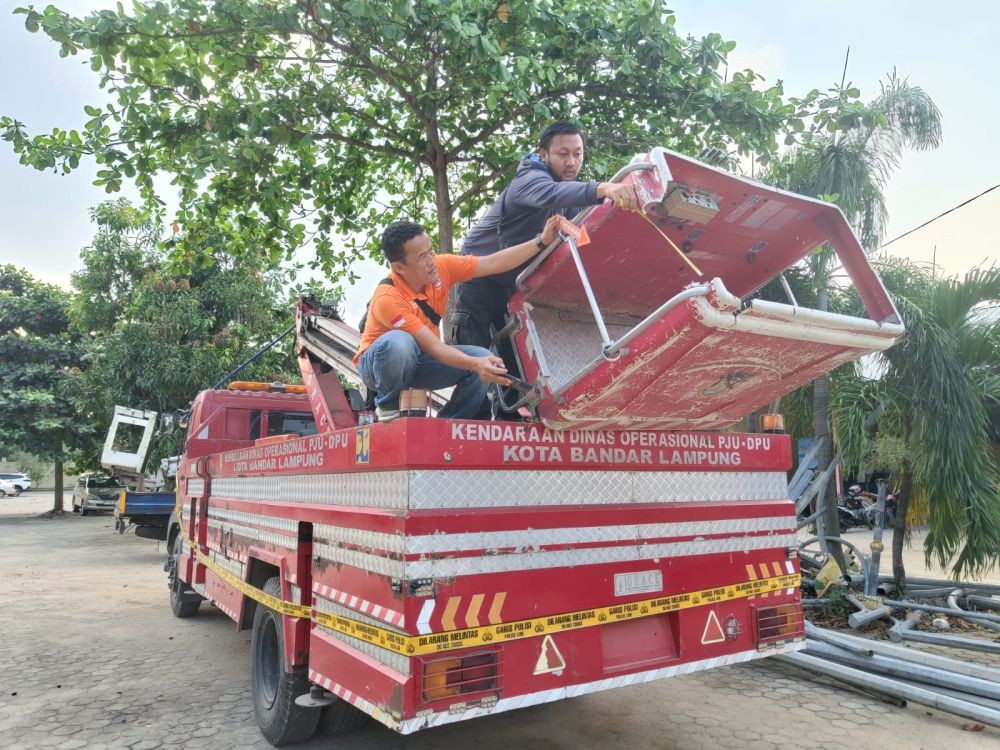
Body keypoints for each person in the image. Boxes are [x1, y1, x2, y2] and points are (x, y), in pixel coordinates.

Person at [452, 121, 637, 414]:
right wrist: (604, 187)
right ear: (543, 154)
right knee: (474, 354)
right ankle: (465, 424)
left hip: (518, 283)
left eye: (578, 154)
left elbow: (588, 233)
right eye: (563, 154)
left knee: (515, 355)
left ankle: (508, 420)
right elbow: (552, 194)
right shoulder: (530, 180)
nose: (572, 161)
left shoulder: (573, 198)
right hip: (481, 274)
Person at [355, 215, 561, 421]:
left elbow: (493, 262)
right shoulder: (388, 298)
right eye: (421, 258)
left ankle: (449, 422)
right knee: (401, 342)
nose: (431, 262)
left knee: (482, 357)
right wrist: (474, 364)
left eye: (431, 252)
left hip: (419, 360)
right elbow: (435, 348)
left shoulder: (441, 267)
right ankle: (388, 406)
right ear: (399, 267)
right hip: (378, 366)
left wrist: (541, 241)